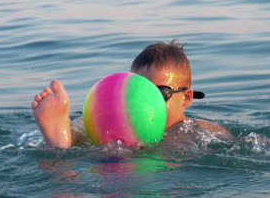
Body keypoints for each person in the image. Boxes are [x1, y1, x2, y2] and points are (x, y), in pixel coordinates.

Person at [31, 40, 232, 148]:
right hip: (122, 160)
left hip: (146, 172)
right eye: (137, 92)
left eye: (158, 93)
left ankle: (61, 155)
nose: (145, 103)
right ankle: (63, 137)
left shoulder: (197, 130)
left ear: (186, 98)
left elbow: (236, 146)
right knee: (86, 125)